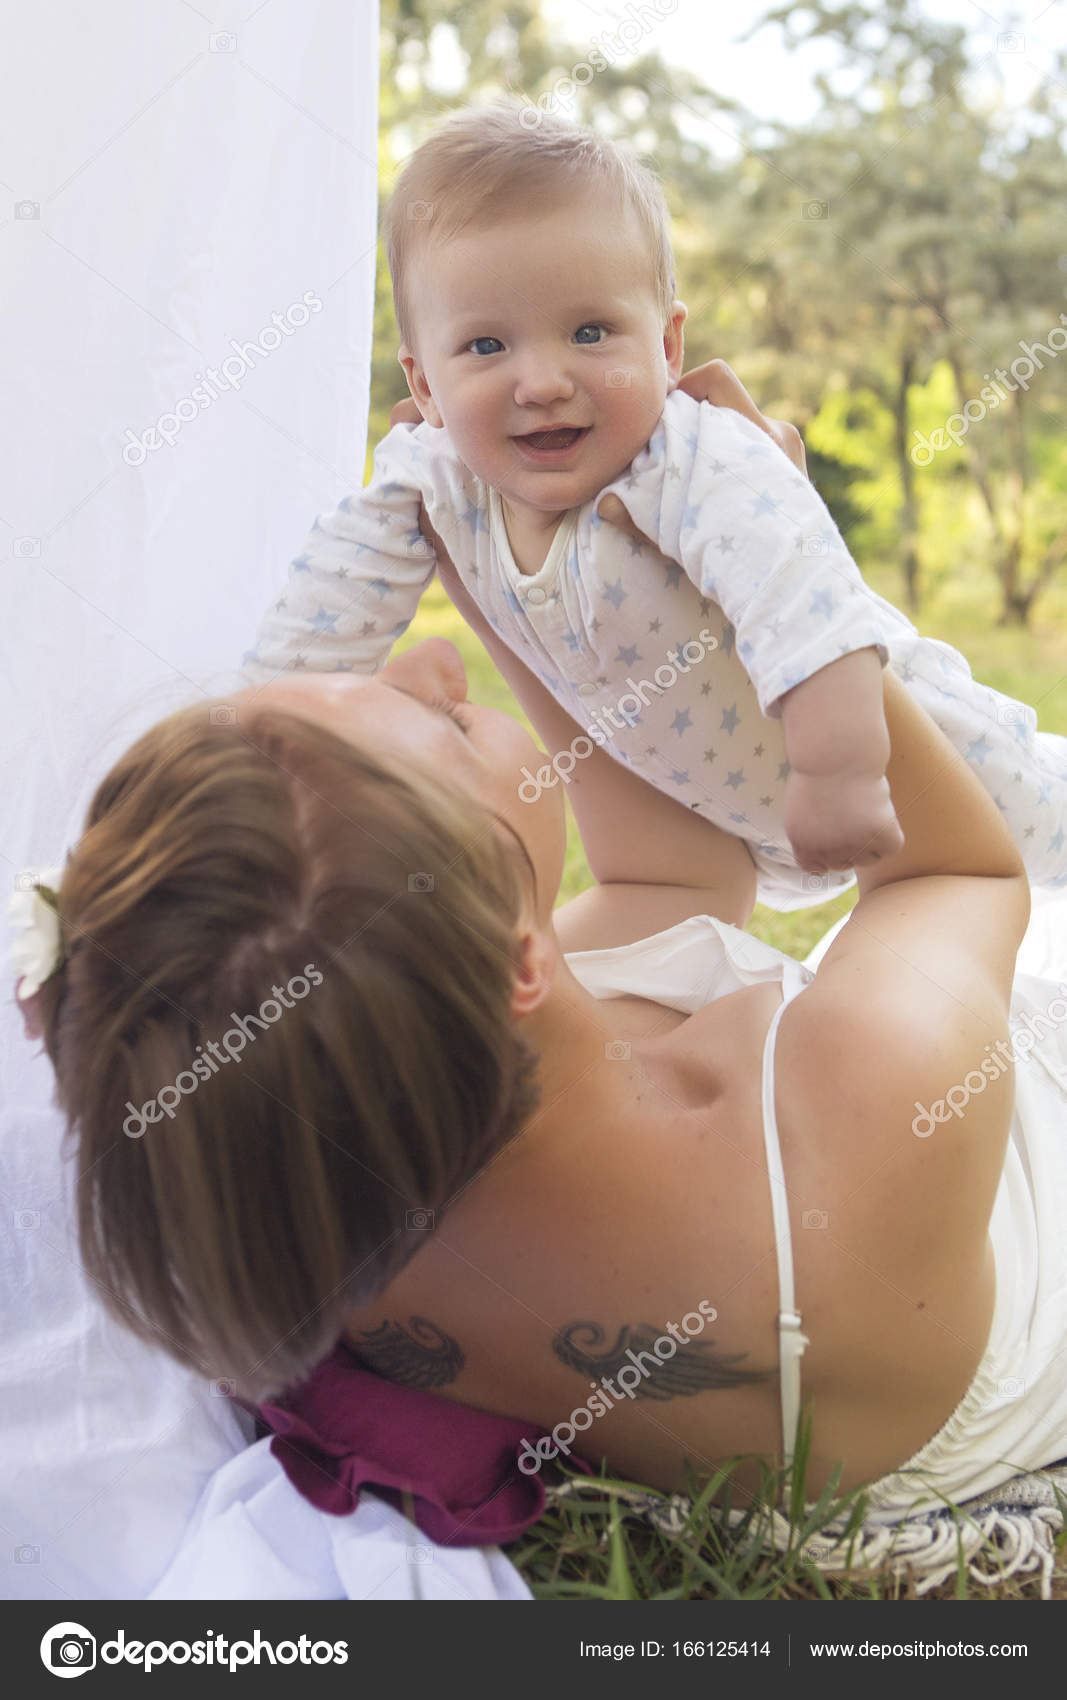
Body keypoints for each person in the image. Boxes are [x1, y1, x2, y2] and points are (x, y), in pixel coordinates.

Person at [14, 525, 1067, 1524]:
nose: (431, 661)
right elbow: (962, 868)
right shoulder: (866, 1097)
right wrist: (774, 590)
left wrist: (518, 587)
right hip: (987, 1180)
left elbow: (674, 877)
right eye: (443, 725)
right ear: (520, 959)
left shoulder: (342, 1172)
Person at [241, 100, 1067, 909]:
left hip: (919, 757)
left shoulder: (691, 457)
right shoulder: (431, 477)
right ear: (423, 382)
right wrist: (243, 755)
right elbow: (325, 610)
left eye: (591, 332)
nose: (542, 382)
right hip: (725, 814)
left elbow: (806, 602)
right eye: (486, 345)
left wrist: (837, 773)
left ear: (666, 345)